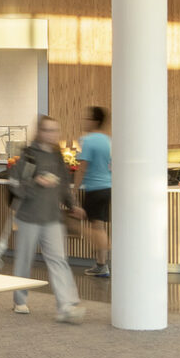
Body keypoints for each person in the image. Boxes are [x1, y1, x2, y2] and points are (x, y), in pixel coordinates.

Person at [10, 114, 83, 322]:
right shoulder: (29, 156)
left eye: (55, 130)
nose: (53, 135)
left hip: (52, 217)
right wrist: (36, 182)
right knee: (24, 260)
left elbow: (62, 185)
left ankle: (66, 306)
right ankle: (20, 299)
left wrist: (72, 205)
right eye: (48, 130)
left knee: (59, 260)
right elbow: (15, 185)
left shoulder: (58, 156)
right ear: (40, 132)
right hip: (29, 217)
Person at [77, 105, 112, 278]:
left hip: (94, 188)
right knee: (99, 226)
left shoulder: (88, 140)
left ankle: (102, 264)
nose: (84, 121)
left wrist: (74, 189)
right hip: (107, 187)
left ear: (95, 121)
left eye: (87, 118)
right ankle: (101, 262)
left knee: (96, 227)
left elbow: (82, 167)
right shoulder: (108, 140)